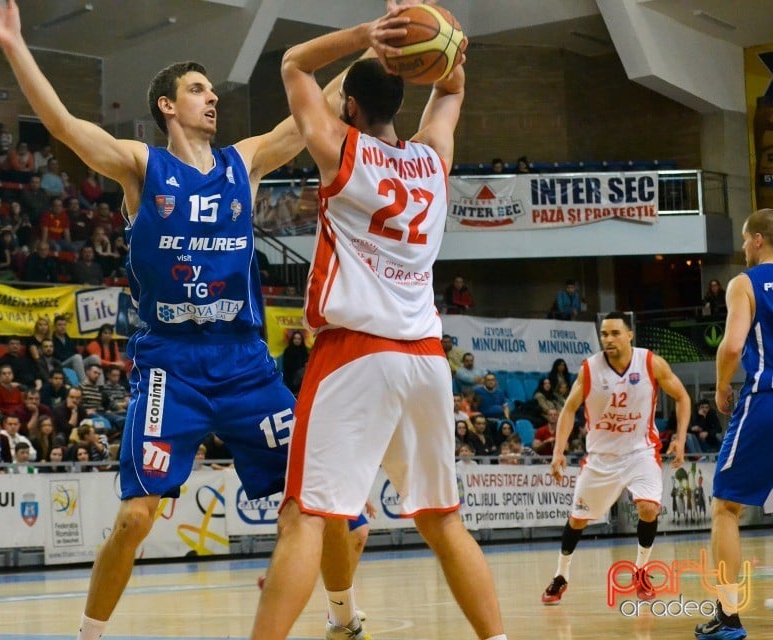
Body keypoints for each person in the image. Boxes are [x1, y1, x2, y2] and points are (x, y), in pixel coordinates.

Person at [0, 2, 368, 639]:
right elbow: (65, 127)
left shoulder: (245, 163)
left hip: (246, 368)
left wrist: (378, 47)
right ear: (167, 106)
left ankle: (343, 618)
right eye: (197, 90)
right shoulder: (142, 167)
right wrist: (14, 44)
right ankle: (89, 635)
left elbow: (313, 111)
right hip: (171, 369)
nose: (211, 98)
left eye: (210, 89)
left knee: (326, 507)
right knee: (134, 519)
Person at [252, 7, 507, 640]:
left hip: (354, 354)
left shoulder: (341, 149)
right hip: (424, 358)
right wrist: (447, 52)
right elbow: (450, 92)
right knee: (444, 521)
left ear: (351, 108)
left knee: (304, 518)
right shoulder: (431, 161)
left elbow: (293, 64)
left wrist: (370, 35)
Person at [542, 311, 689, 607]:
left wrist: (680, 439)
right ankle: (561, 575)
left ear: (629, 334)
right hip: (601, 458)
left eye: (614, 333)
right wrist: (558, 451)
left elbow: (683, 397)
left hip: (641, 451)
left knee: (648, 508)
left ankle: (641, 571)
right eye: (604, 334)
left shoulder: (650, 363)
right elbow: (569, 409)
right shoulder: (589, 369)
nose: (608, 339)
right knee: (578, 520)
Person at [694, 209, 773, 640]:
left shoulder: (746, 283)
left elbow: (732, 345)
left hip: (767, 399)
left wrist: (723, 385)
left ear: (758, 239)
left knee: (726, 507)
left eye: (745, 239)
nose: (743, 247)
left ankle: (727, 615)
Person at [281, 330, 310, 396]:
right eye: (295, 338)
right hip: (290, 381)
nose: (297, 340)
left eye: (299, 339)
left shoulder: (304, 351)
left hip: (303, 382)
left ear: (301, 340)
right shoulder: (288, 351)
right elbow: (286, 367)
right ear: (292, 339)